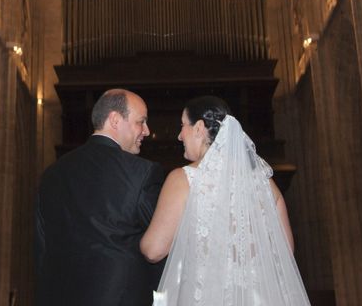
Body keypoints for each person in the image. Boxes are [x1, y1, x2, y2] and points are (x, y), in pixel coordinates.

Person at [141, 96, 310, 305]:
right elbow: (285, 253)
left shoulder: (183, 179)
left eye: (183, 126)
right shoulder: (267, 184)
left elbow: (153, 249)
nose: (179, 135)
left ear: (199, 128)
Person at [35, 89, 165, 306]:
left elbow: (42, 248)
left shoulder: (51, 174)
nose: (147, 131)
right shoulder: (141, 173)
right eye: (140, 122)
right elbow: (158, 247)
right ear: (115, 120)